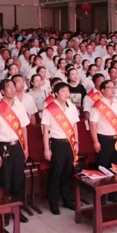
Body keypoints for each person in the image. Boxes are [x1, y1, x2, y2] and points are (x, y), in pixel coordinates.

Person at [0, 79, 30, 224]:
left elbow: (23, 128)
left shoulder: (19, 106)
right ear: (2, 91)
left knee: (18, 179)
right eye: (8, 87)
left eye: (13, 86)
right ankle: (5, 212)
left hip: (18, 146)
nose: (12, 89)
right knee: (5, 180)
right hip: (3, 147)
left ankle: (17, 210)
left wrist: (26, 148)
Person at [42, 82, 79, 215]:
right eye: (63, 91)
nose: (66, 94)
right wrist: (47, 149)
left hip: (70, 143)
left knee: (68, 173)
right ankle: (53, 203)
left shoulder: (72, 107)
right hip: (57, 144)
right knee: (56, 174)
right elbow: (45, 131)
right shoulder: (49, 109)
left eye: (68, 91)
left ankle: (67, 200)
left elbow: (74, 126)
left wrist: (76, 143)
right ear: (56, 93)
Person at [89, 80, 117, 203]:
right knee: (103, 168)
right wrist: (95, 142)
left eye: (113, 87)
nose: (113, 90)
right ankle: (102, 197)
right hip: (103, 140)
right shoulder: (98, 106)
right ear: (102, 90)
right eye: (109, 87)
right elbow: (92, 124)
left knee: (116, 167)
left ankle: (114, 194)